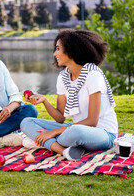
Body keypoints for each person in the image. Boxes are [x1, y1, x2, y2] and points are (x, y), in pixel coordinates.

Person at [21, 29, 118, 161]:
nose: (55, 54)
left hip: (103, 133)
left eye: (58, 49)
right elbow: (60, 118)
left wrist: (52, 132)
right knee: (26, 122)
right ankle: (65, 150)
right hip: (77, 130)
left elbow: (92, 122)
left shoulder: (93, 75)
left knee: (73, 132)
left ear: (72, 50)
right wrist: (44, 101)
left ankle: (46, 142)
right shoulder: (63, 78)